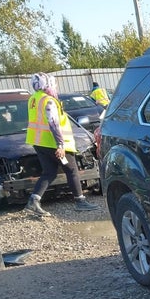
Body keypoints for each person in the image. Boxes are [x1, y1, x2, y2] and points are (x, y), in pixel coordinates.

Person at [25, 72, 100, 216]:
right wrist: (60, 145)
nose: (56, 86)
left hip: (39, 142)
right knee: (72, 170)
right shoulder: (49, 101)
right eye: (54, 83)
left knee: (49, 172)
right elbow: (53, 123)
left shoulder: (33, 98)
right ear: (47, 84)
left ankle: (33, 201)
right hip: (53, 143)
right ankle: (80, 201)